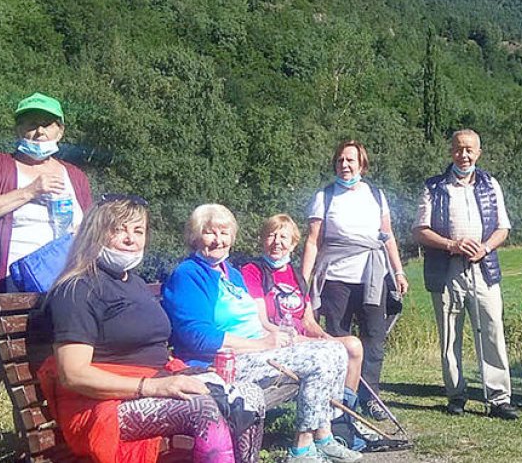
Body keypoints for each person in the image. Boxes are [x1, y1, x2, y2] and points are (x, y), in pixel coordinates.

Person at [32, 195, 237, 463]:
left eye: (138, 230)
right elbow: (73, 374)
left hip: (150, 383)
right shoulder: (77, 289)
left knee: (246, 397)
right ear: (96, 234)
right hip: (100, 405)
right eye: (119, 230)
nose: (131, 239)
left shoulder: (136, 284)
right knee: (201, 407)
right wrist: (152, 387)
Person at [0, 92, 92, 463]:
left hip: (53, 296)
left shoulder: (75, 176)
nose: (38, 129)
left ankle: (28, 454)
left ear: (60, 129)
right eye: (30, 121)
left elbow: (90, 231)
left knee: (37, 380)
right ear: (18, 127)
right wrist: (30, 190)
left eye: (47, 122)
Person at [162, 204, 360, 463]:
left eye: (224, 233)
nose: (218, 240)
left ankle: (323, 436)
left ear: (232, 237)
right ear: (196, 236)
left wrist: (280, 336)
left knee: (334, 349)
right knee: (319, 358)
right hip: (219, 363)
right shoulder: (189, 274)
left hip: (254, 351)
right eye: (210, 233)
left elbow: (258, 320)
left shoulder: (230, 273)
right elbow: (198, 338)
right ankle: (301, 449)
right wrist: (262, 344)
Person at [242, 214, 373, 450]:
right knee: (334, 350)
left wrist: (325, 338)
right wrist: (298, 338)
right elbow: (260, 321)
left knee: (352, 345)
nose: (277, 242)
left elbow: (309, 320)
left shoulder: (297, 276)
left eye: (283, 237)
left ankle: (343, 417)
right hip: (277, 341)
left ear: (293, 243)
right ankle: (324, 430)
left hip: (301, 339)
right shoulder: (253, 271)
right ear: (262, 240)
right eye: (271, 235)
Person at [413, 129, 518, 420]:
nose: (464, 155)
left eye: (470, 150)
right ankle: (456, 395)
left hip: (483, 269)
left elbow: (503, 228)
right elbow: (419, 230)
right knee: (449, 335)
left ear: (479, 153)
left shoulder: (490, 184)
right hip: (447, 270)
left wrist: (484, 248)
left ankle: (498, 398)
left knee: (492, 330)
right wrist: (451, 244)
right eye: (459, 149)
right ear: (451, 152)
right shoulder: (433, 187)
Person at [301, 140, 408, 419]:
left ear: (362, 165)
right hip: (335, 277)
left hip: (372, 275)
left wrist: (398, 272)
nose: (345, 165)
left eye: (350, 160)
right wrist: (302, 281)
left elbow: (387, 236)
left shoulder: (376, 195)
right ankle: (339, 398)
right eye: (340, 160)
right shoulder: (324, 196)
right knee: (337, 336)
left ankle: (370, 397)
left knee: (374, 336)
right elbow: (313, 241)